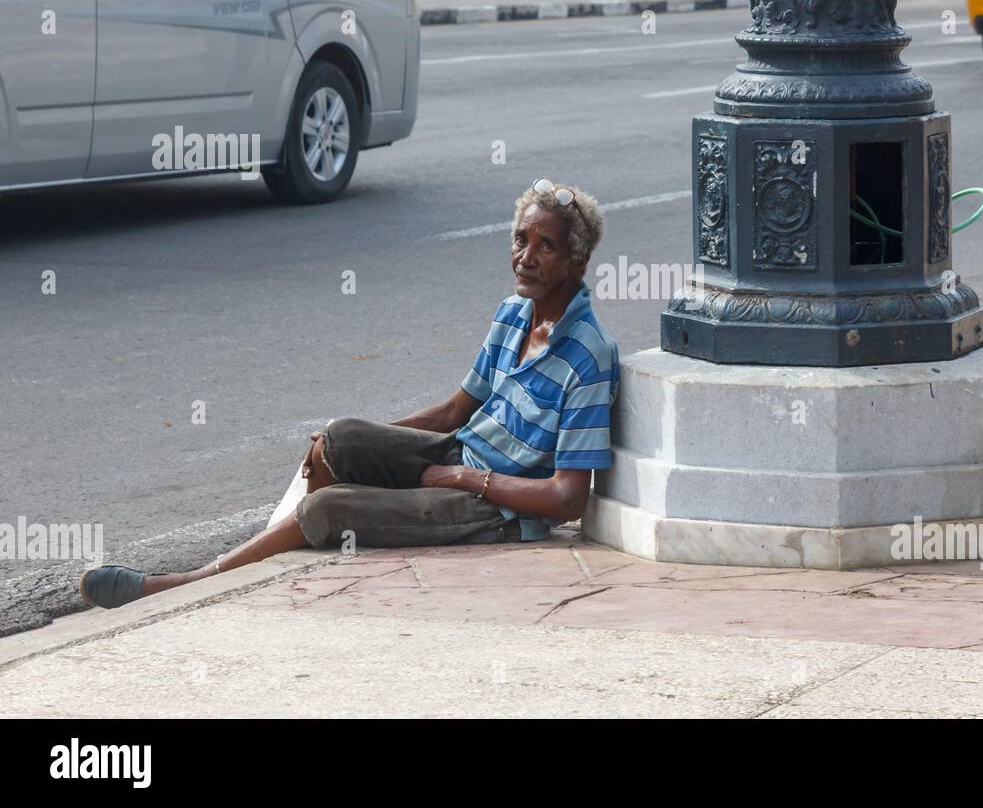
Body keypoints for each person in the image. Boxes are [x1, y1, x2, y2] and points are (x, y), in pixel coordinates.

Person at [80, 180, 620, 610]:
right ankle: (289, 541)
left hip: (495, 509)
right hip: (458, 452)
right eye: (520, 240)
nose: (526, 256)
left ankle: (186, 580)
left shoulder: (588, 357)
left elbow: (566, 497)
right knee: (338, 436)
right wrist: (376, 445)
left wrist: (464, 478)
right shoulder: (514, 313)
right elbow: (458, 410)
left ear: (577, 261)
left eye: (545, 246)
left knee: (332, 507)